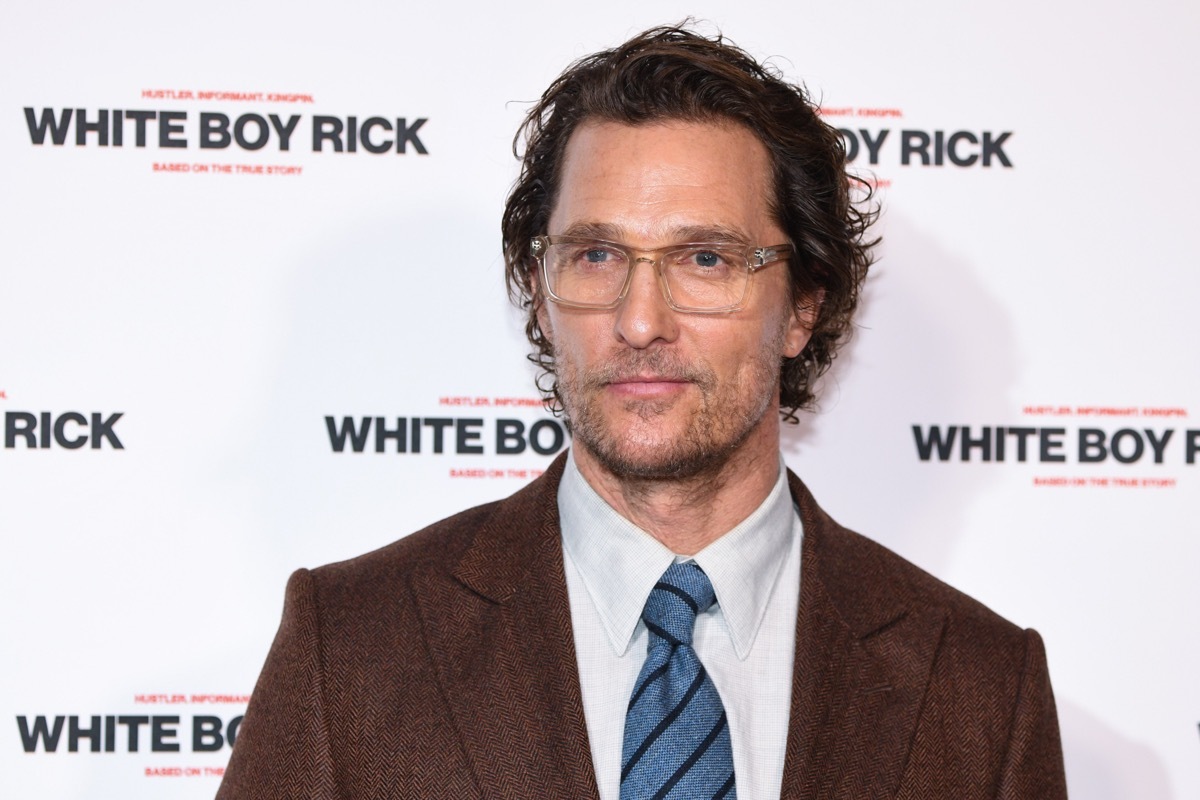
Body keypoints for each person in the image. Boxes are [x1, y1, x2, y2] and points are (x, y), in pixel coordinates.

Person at [218, 24, 1067, 800]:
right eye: (595, 255)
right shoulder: (353, 647)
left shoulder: (982, 686)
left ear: (804, 305)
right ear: (542, 294)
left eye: (705, 258)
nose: (639, 319)